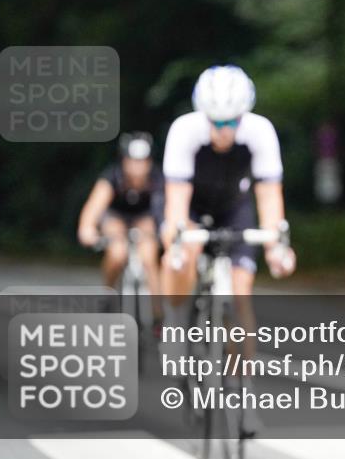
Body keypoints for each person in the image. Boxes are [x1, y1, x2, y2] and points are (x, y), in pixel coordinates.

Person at [159, 64, 296, 432]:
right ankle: (174, 322)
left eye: (231, 122)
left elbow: (269, 199)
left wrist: (276, 248)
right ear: (203, 115)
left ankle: (243, 392)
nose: (224, 130)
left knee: (240, 298)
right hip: (190, 206)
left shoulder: (259, 131)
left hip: (234, 208)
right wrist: (176, 240)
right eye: (216, 123)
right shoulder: (184, 131)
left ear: (243, 115)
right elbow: (175, 202)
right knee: (179, 251)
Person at [78, 131, 165, 329]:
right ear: (124, 160)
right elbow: (95, 205)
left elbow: (165, 210)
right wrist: (87, 228)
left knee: (149, 256)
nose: (137, 167)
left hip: (144, 219)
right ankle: (108, 295)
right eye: (133, 161)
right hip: (116, 217)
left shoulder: (157, 179)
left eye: (143, 161)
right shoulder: (112, 176)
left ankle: (158, 314)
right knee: (117, 253)